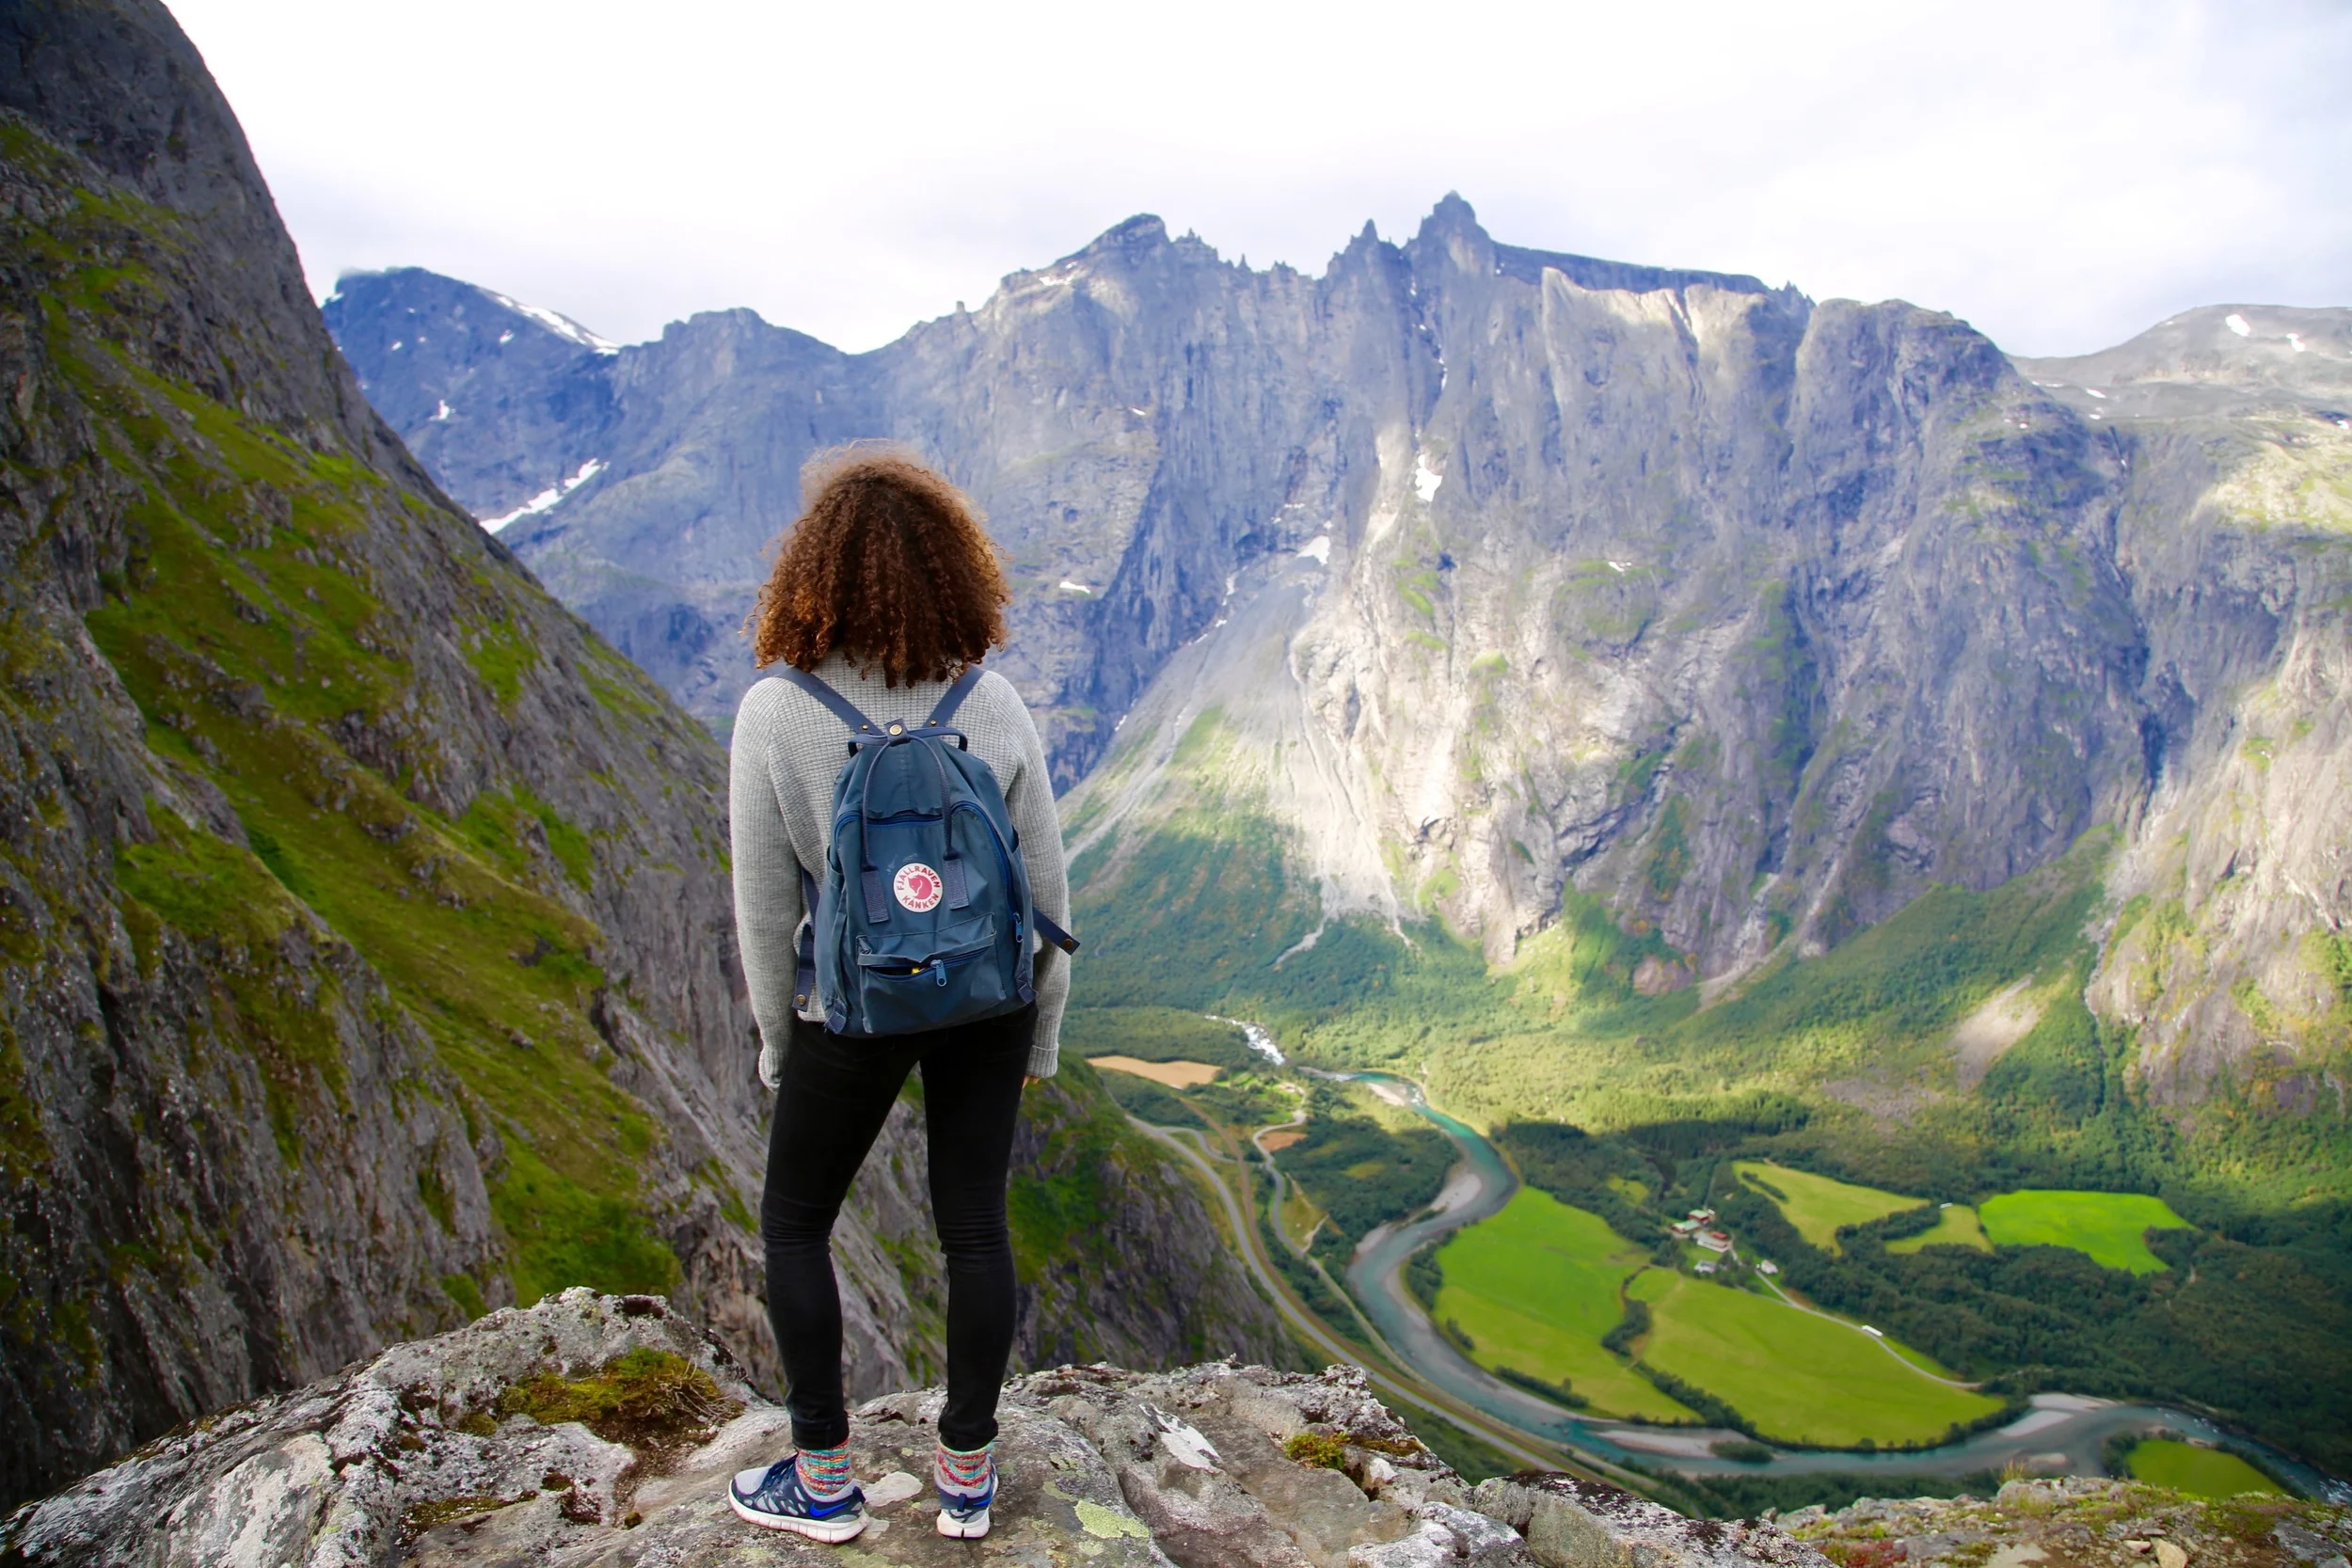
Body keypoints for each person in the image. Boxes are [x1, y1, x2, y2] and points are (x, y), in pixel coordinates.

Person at [723, 449, 1072, 1544]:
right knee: (974, 1223)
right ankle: (966, 1475)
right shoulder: (992, 698)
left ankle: (822, 1481)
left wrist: (786, 1046)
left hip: (854, 1007)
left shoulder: (776, 712)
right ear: (948, 571)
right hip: (986, 996)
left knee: (794, 1222)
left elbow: (761, 904)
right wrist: (1041, 1032)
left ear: (810, 572)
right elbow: (1047, 886)